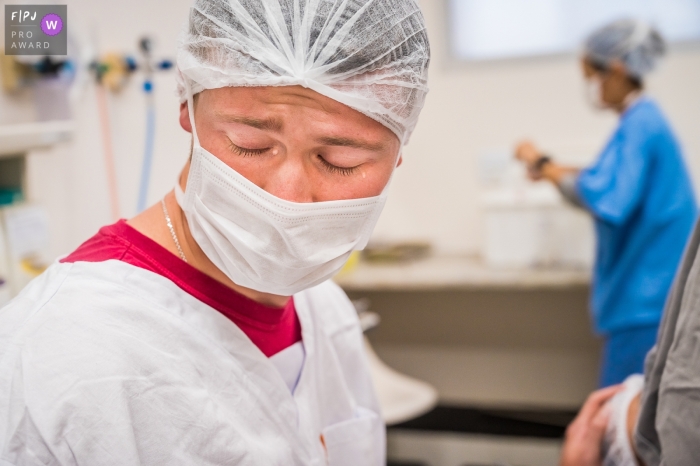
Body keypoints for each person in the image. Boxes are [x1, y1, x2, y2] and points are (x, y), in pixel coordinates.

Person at [0, 1, 430, 464]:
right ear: (188, 107)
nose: (286, 196)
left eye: (340, 162)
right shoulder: (55, 350)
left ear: (397, 152)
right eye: (252, 145)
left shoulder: (328, 314)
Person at [515, 19, 697, 387]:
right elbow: (602, 175)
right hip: (652, 295)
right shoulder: (642, 121)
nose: (591, 88)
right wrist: (550, 167)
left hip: (647, 302)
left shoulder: (639, 126)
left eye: (591, 77)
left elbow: (606, 196)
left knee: (621, 417)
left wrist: (542, 164)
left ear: (615, 69)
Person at [560, 216, 700, 466]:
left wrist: (554, 175)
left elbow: (611, 198)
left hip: (640, 305)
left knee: (609, 418)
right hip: (645, 302)